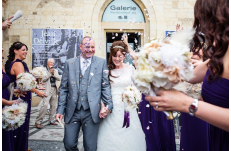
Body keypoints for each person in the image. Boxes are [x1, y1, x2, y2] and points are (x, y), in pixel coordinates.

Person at [146, 0, 229, 150]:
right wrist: (154, 64)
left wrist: (188, 104)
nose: (203, 28)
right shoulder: (219, 56)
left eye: (206, 20)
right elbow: (188, 75)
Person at [55, 36, 113, 151]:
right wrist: (60, 110)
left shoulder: (101, 63)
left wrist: (108, 105)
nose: (90, 49)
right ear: (80, 47)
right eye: (87, 47)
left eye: (93, 47)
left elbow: (105, 86)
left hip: (91, 112)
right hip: (72, 111)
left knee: (90, 147)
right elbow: (63, 88)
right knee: (69, 144)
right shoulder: (69, 63)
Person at [122, 35, 176, 151]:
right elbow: (134, 55)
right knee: (148, 133)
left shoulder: (169, 65)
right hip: (147, 103)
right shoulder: (145, 62)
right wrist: (126, 44)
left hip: (163, 101)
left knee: (164, 131)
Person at [97, 39, 146, 151]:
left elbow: (136, 87)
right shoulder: (107, 70)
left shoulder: (130, 68)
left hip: (127, 107)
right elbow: (103, 89)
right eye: (115, 56)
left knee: (129, 132)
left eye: (120, 56)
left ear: (124, 56)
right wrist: (103, 106)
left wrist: (133, 96)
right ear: (111, 56)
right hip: (111, 107)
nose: (117, 59)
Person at [7, 41, 47, 151]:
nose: (26, 52)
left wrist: (37, 86)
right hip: (20, 97)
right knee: (19, 125)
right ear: (15, 51)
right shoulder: (18, 64)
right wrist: (37, 92)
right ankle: (18, 147)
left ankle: (22, 146)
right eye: (23, 50)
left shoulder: (20, 63)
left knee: (23, 124)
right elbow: (24, 84)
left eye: (26, 50)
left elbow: (27, 82)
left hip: (23, 96)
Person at [35, 58, 61, 129]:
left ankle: (51, 120)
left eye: (53, 63)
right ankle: (38, 121)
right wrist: (49, 73)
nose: (52, 64)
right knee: (45, 105)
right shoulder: (43, 70)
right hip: (47, 90)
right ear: (47, 62)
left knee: (53, 105)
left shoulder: (55, 70)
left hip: (54, 89)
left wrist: (53, 74)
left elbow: (59, 78)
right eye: (51, 62)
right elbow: (42, 79)